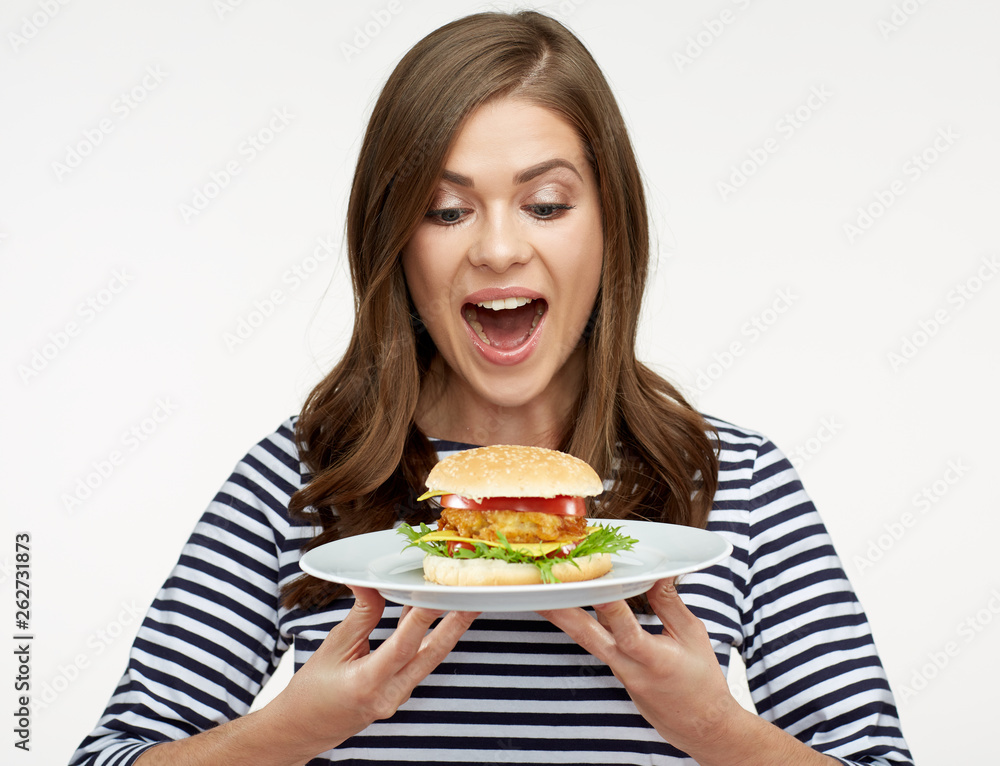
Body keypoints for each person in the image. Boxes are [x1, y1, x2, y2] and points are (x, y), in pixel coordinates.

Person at [71, 11, 912, 766]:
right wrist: (289, 732)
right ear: (393, 242)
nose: (500, 249)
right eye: (446, 211)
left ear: (612, 225)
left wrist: (718, 733)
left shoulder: (735, 478)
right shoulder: (295, 480)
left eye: (546, 204)